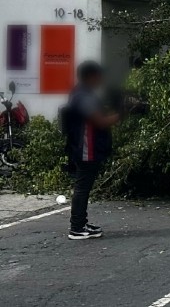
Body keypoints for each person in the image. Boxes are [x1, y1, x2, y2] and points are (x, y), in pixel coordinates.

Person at [63, 61, 120, 240]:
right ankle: (77, 228)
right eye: (98, 75)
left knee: (84, 186)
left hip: (84, 146)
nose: (101, 79)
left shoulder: (82, 93)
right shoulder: (83, 96)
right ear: (90, 76)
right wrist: (124, 113)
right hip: (86, 148)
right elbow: (100, 121)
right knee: (82, 187)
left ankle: (81, 223)